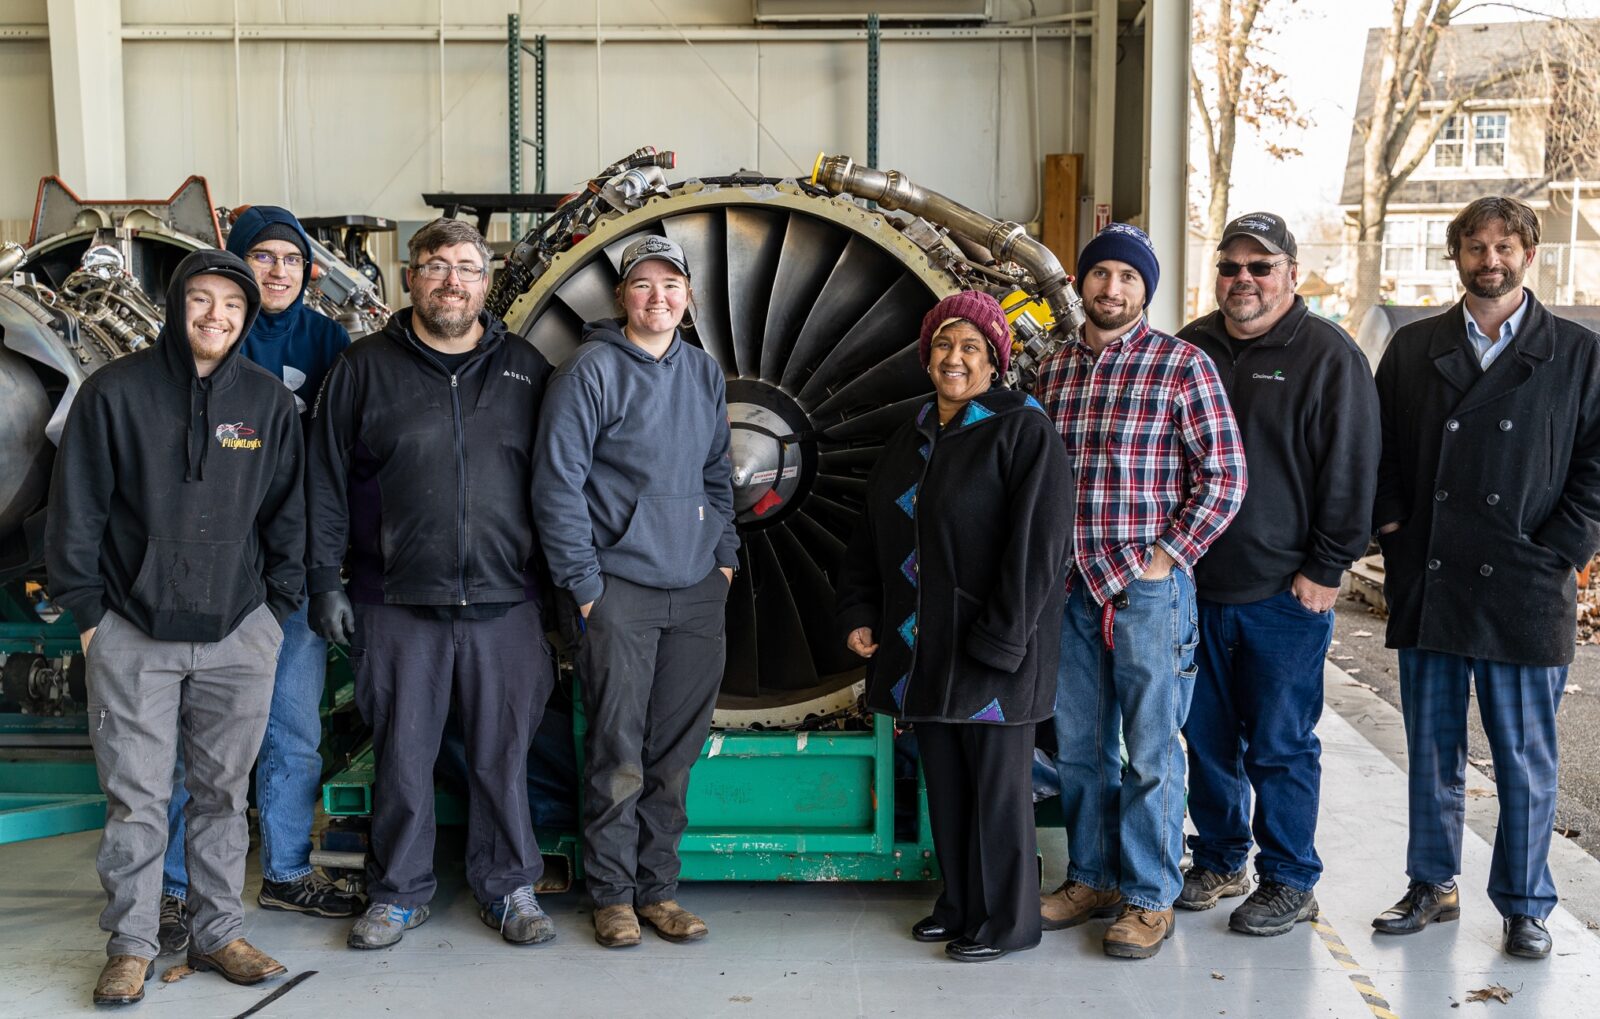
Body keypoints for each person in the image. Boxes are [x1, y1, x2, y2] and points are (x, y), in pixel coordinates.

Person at [46, 249, 302, 1005]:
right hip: (131, 629)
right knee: (136, 796)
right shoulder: (112, 393)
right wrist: (90, 616)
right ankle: (131, 943)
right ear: (175, 303)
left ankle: (220, 930)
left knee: (226, 792)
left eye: (232, 304)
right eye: (201, 299)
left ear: (249, 316)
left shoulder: (267, 402)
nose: (215, 316)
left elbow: (290, 515)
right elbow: (77, 511)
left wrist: (274, 613)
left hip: (238, 632)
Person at [305, 217, 557, 949]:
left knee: (503, 756)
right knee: (404, 755)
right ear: (409, 276)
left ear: (488, 281)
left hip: (506, 601)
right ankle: (399, 892)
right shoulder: (360, 369)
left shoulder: (527, 370)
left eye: (468, 267)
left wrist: (559, 589)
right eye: (436, 264)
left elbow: (559, 483)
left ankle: (509, 885)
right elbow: (323, 483)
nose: (453, 280)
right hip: (394, 601)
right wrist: (326, 580)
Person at [1371, 195, 1600, 960]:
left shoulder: (1578, 351)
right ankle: (1432, 883)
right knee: (1431, 749)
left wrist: (1561, 548)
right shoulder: (1411, 348)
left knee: (1523, 758)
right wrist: (1398, 536)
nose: (1490, 259)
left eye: (1505, 246)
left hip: (1525, 586)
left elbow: (1597, 467)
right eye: (1476, 246)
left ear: (1529, 255)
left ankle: (1528, 903)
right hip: (1433, 579)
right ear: (1457, 254)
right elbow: (1384, 456)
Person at [836, 291, 1073, 962]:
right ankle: (961, 903)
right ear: (927, 355)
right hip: (926, 649)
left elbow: (1039, 549)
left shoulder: (1021, 428)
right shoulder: (914, 434)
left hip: (997, 648)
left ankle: (1006, 921)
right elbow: (869, 537)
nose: (955, 358)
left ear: (995, 360)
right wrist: (857, 612)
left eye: (972, 347)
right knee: (947, 784)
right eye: (944, 344)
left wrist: (1002, 639)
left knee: (998, 793)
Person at [1034, 223, 1247, 959]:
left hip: (1147, 592)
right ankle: (1092, 876)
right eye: (1101, 275)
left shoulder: (1182, 366)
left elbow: (1224, 477)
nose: (1112, 288)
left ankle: (1150, 895)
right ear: (1082, 284)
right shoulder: (1054, 369)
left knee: (1155, 748)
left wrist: (1167, 557)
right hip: (1069, 588)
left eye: (1129, 277)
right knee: (1083, 748)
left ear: (1145, 290)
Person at [158, 207, 358, 956]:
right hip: (202, 573)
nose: (277, 271)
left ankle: (283, 869)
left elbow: (338, 461)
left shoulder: (328, 343)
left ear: (309, 270)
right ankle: (176, 888)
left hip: (293, 569)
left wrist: (326, 567)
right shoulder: (197, 346)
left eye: (290, 259)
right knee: (194, 738)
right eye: (261, 257)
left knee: (293, 727)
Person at [1175, 212, 1380, 935]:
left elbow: (1354, 469)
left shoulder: (1328, 355)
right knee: (1204, 735)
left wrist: (1326, 567)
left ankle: (1291, 876)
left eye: (1260, 267)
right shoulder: (1190, 347)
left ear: (1291, 273)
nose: (1244, 280)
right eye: (1231, 266)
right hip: (1194, 585)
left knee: (1280, 742)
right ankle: (1223, 855)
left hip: (1285, 593)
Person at [533, 235, 738, 949]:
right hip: (619, 592)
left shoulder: (703, 374)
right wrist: (587, 589)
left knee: (674, 753)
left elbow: (720, 471)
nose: (658, 297)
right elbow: (555, 486)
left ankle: (659, 891)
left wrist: (725, 560)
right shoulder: (589, 372)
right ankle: (613, 895)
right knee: (617, 750)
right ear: (622, 296)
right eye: (643, 284)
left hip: (696, 591)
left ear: (688, 296)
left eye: (671, 284)